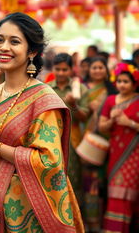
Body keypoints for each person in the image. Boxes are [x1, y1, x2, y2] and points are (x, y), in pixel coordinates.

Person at [0, 12, 84, 233]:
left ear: (32, 51)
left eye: (14, 41)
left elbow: (49, 161)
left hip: (28, 210)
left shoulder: (44, 99)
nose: (3, 47)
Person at [98, 63, 139, 233]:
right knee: (115, 189)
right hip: (115, 151)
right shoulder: (110, 101)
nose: (122, 85)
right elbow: (101, 127)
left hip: (134, 153)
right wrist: (111, 121)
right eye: (119, 81)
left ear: (134, 83)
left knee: (129, 191)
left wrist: (128, 123)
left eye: (126, 81)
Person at [48, 53, 89, 206]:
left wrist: (73, 105)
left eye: (64, 70)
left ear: (72, 70)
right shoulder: (46, 88)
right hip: (50, 139)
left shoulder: (80, 89)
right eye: (57, 69)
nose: (60, 73)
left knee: (73, 179)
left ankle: (74, 219)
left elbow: (84, 117)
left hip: (73, 139)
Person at [81, 57, 117, 232]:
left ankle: (99, 223)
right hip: (83, 141)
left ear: (106, 70)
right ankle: (86, 223)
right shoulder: (83, 89)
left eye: (100, 67)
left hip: (104, 142)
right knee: (85, 183)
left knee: (99, 183)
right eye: (94, 67)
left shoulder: (112, 91)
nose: (96, 70)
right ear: (89, 70)